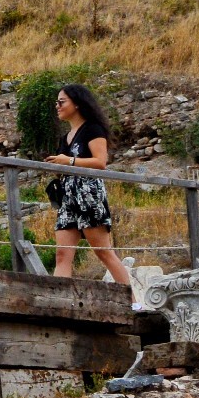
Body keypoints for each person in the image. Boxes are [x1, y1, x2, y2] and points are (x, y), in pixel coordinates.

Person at [45, 83, 133, 285]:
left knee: (103, 252)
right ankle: (60, 305)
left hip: (88, 194)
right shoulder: (64, 138)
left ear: (77, 103)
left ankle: (133, 303)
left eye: (61, 101)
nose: (57, 106)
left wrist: (68, 161)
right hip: (68, 197)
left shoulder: (93, 129)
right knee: (62, 255)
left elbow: (100, 162)